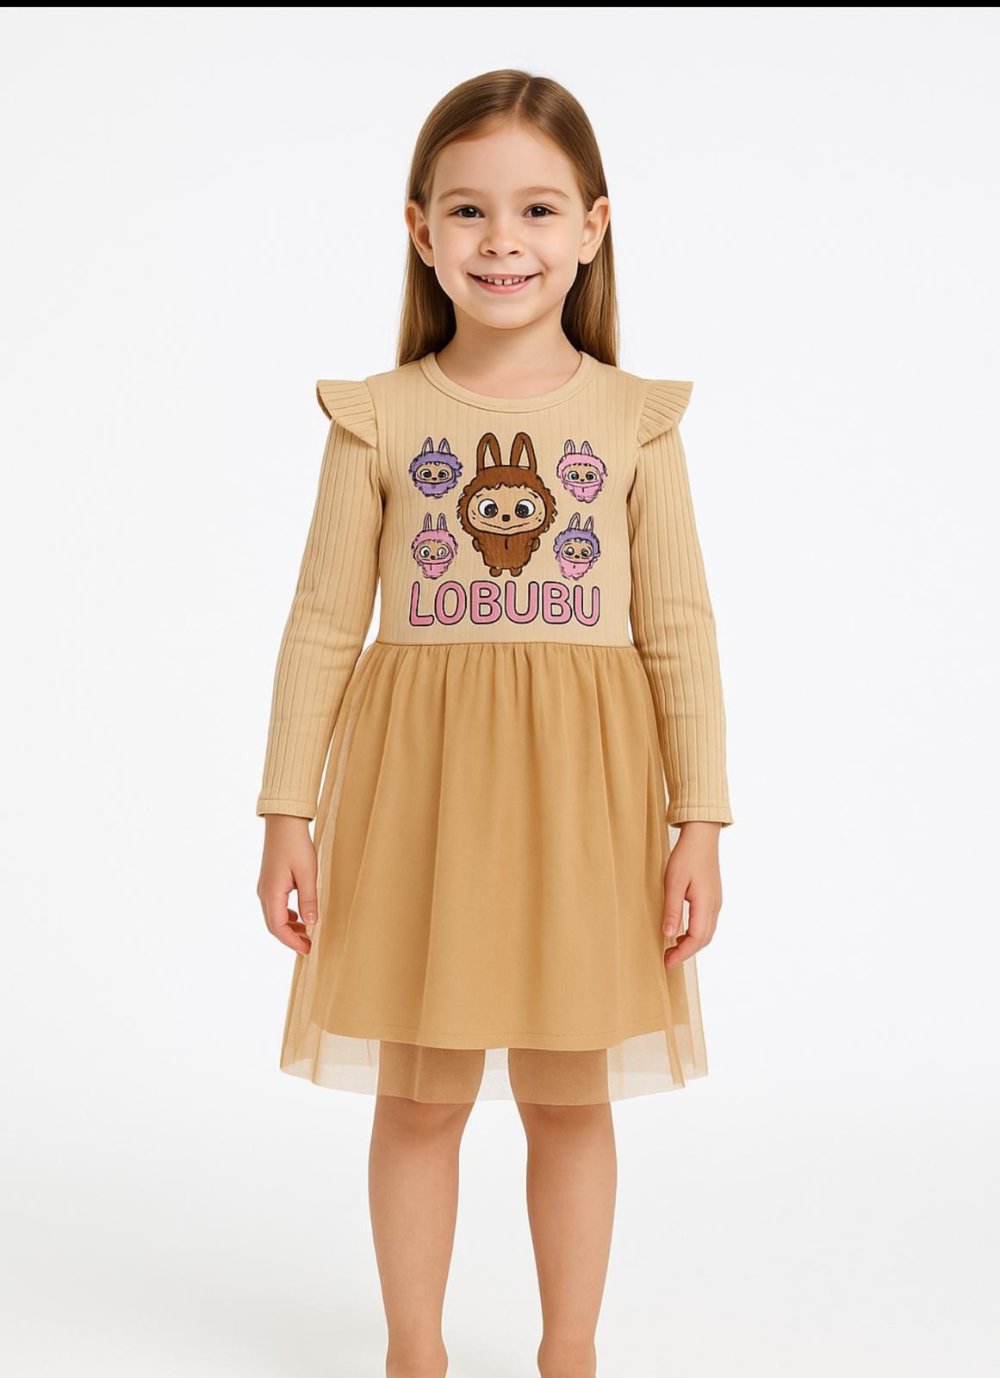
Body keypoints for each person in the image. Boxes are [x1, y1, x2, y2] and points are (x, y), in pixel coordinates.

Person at [255, 67, 734, 1378]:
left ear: (592, 227)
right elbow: (320, 623)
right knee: (422, 1097)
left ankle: (568, 1353)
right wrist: (287, 810)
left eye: (537, 208)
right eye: (468, 210)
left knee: (570, 1102)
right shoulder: (378, 418)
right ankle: (414, 1352)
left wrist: (699, 821)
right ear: (421, 230)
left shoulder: (634, 422)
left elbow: (679, 630)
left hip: (586, 809)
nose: (503, 240)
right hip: (419, 803)